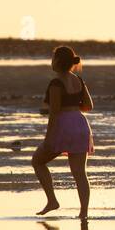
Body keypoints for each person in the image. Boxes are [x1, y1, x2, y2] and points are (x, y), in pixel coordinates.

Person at [32, 45, 94, 219]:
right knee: (80, 173)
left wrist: (48, 137)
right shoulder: (79, 80)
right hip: (81, 124)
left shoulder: (56, 83)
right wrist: (73, 106)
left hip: (64, 126)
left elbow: (55, 112)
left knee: (37, 161)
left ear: (57, 62)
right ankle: (84, 213)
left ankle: (52, 200)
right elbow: (88, 106)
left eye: (52, 58)